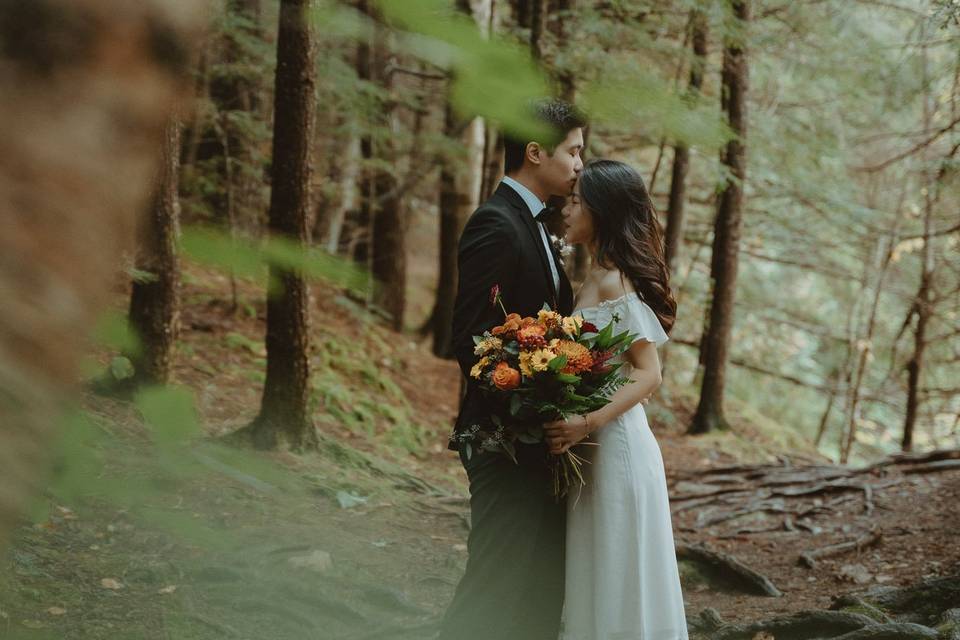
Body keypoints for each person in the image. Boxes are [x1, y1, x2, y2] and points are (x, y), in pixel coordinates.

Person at [437, 99, 585, 640]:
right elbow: (471, 337)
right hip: (501, 438)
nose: (578, 165)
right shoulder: (496, 223)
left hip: (535, 442)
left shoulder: (539, 225)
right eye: (573, 151)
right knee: (494, 583)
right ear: (534, 151)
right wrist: (527, 404)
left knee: (539, 588)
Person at [546, 159, 689, 640]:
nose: (567, 209)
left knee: (619, 573)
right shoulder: (595, 274)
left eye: (578, 201)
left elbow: (649, 375)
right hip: (595, 447)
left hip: (618, 448)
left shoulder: (615, 281)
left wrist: (587, 422)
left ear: (601, 211)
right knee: (599, 570)